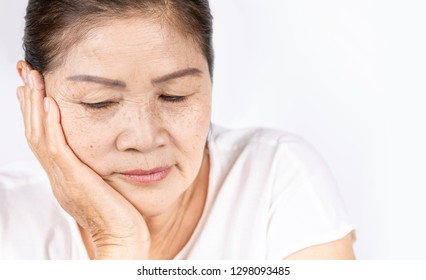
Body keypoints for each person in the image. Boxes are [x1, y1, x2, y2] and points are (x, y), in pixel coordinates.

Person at [1, 0, 355, 260]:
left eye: (174, 96)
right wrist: (117, 243)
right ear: (35, 91)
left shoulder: (274, 179)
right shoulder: (10, 219)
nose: (143, 138)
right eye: (99, 102)